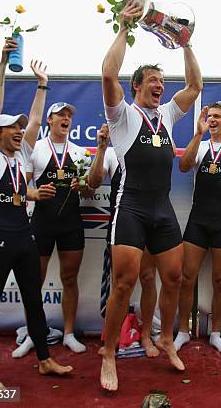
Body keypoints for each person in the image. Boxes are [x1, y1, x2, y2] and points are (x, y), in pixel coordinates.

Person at [99, 2, 202, 391]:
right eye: (153, 80)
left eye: (162, 80)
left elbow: (195, 87)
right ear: (137, 86)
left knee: (173, 278)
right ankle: (108, 353)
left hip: (162, 209)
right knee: (124, 284)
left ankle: (164, 338)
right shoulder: (122, 115)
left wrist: (187, 44)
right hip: (131, 209)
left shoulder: (169, 116)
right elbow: (108, 71)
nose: (161, 85)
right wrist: (125, 26)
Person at [0, 40, 72, 389]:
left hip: (24, 237)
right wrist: (2, 61)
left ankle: (44, 359)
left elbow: (34, 125)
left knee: (34, 300)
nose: (19, 131)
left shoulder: (19, 158)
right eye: (12, 127)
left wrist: (42, 85)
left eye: (21, 127)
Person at [13, 101, 92, 356]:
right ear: (49, 120)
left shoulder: (80, 153)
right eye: (61, 114)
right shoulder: (34, 150)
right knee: (33, 281)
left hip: (71, 223)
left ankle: (68, 334)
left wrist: (84, 187)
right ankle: (32, 333)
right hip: (41, 223)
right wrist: (35, 194)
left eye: (69, 114)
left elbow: (88, 189)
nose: (66, 117)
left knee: (69, 279)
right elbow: (19, 190)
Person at [174, 102, 221, 355]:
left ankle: (216, 333)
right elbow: (184, 166)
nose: (212, 120)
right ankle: (183, 332)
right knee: (187, 278)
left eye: (218, 116)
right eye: (209, 116)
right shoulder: (202, 145)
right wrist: (197, 134)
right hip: (198, 219)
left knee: (220, 281)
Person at [88, 123, 160, 357]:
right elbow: (94, 182)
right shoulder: (111, 152)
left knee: (148, 278)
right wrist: (101, 148)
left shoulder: (149, 145)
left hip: (150, 222)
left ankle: (147, 335)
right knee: (119, 285)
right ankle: (112, 339)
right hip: (122, 224)